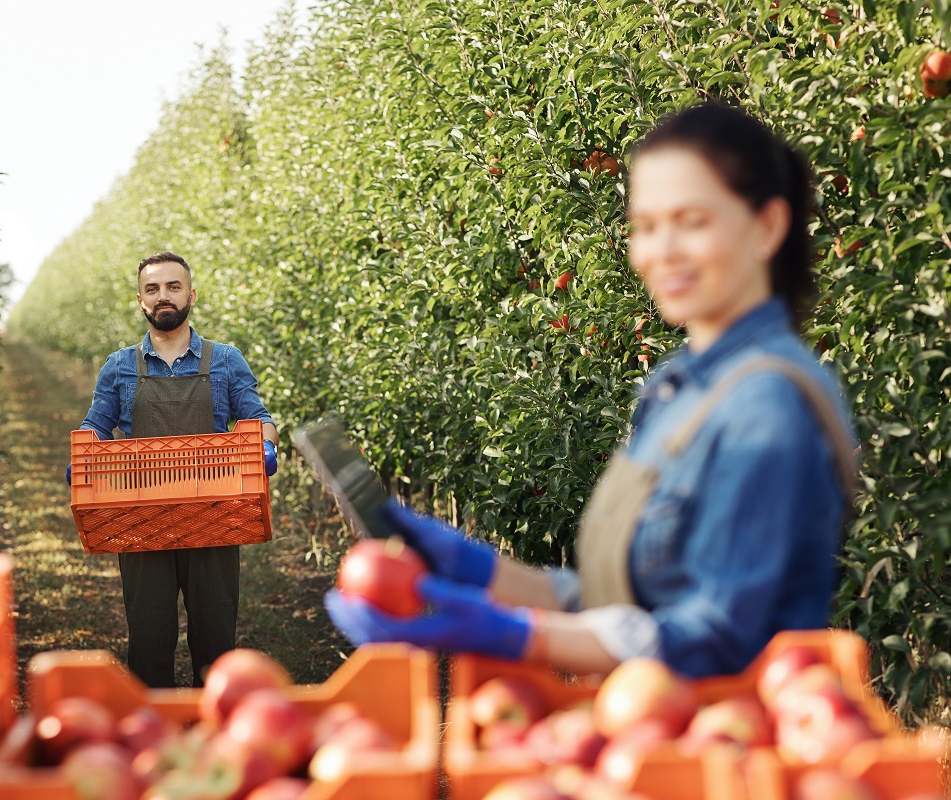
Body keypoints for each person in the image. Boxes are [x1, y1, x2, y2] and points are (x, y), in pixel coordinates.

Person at [325, 103, 859, 679]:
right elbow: (627, 611)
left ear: (767, 228)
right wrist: (487, 575)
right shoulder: (680, 386)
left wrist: (517, 635)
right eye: (646, 226)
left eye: (693, 221)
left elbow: (717, 637)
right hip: (652, 730)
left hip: (724, 747)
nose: (662, 250)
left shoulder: (765, 406)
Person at [71, 251, 279, 688]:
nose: (163, 296)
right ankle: (153, 741)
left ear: (191, 295)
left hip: (217, 519)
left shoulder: (225, 360)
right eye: (152, 289)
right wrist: (85, 455)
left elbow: (260, 417)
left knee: (216, 643)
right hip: (141, 519)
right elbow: (96, 424)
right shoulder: (120, 366)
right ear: (140, 301)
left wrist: (264, 446)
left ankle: (218, 734)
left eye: (173, 287)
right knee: (148, 642)